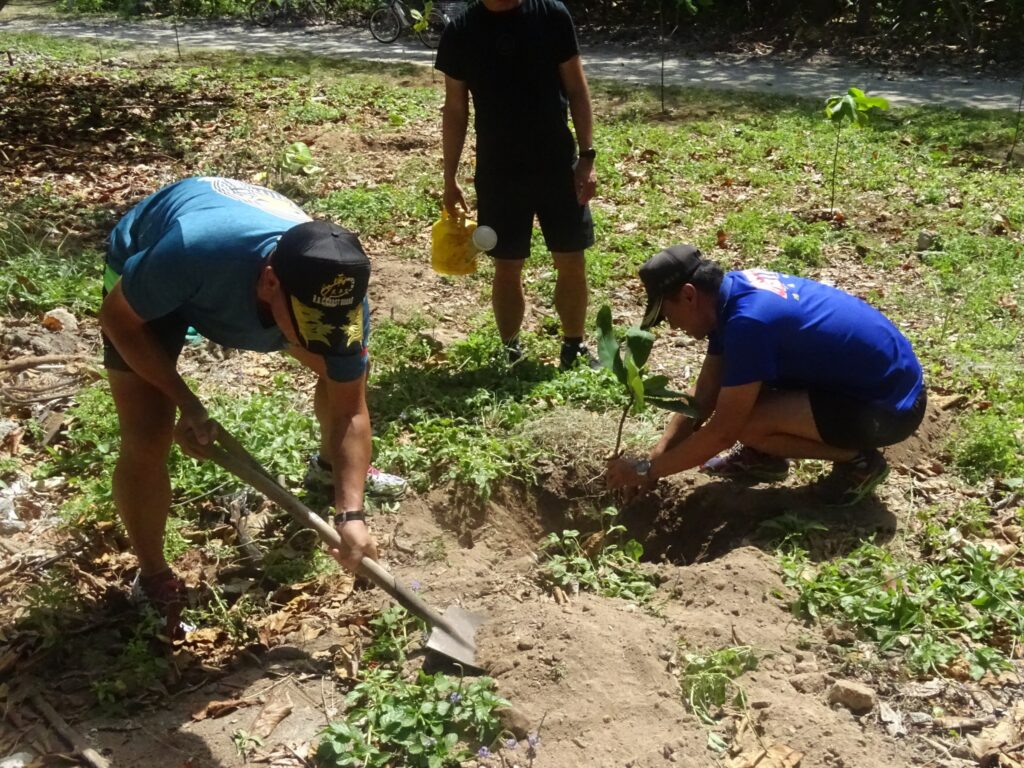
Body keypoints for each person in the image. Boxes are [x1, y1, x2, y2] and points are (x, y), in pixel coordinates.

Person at [99, 176, 390, 635]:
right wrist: (187, 403)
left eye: (332, 323)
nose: (324, 333)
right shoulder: (192, 249)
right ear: (271, 282)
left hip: (232, 282)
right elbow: (118, 320)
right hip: (154, 270)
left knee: (341, 371)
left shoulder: (338, 292)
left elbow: (350, 410)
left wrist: (349, 513)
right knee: (148, 432)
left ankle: (329, 469)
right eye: (310, 321)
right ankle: (152, 574)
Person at [606, 245, 926, 506]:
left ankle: (859, 461)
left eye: (666, 314)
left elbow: (723, 432)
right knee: (739, 395)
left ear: (689, 295)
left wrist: (647, 470)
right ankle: (766, 455)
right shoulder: (729, 295)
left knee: (745, 424)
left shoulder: (749, 323)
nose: (671, 325)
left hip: (889, 407)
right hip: (874, 384)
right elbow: (704, 394)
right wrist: (655, 459)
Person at [435, 0, 599, 369]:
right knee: (507, 265)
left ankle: (573, 346)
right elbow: (455, 109)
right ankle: (510, 351)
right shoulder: (460, 31)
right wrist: (449, 177)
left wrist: (587, 157)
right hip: (498, 171)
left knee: (571, 259)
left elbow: (576, 87)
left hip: (557, 164)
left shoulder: (552, 14)